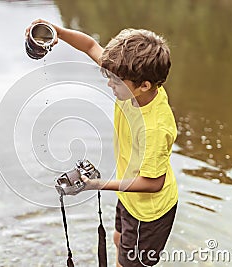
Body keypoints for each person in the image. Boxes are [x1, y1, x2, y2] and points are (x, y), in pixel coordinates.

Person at [26, 19, 178, 267]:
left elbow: (153, 183)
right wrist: (59, 33)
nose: (109, 84)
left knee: (130, 262)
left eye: (115, 81)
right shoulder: (130, 77)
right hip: (128, 197)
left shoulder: (155, 127)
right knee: (118, 240)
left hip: (149, 213)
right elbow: (89, 45)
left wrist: (97, 184)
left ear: (144, 86)